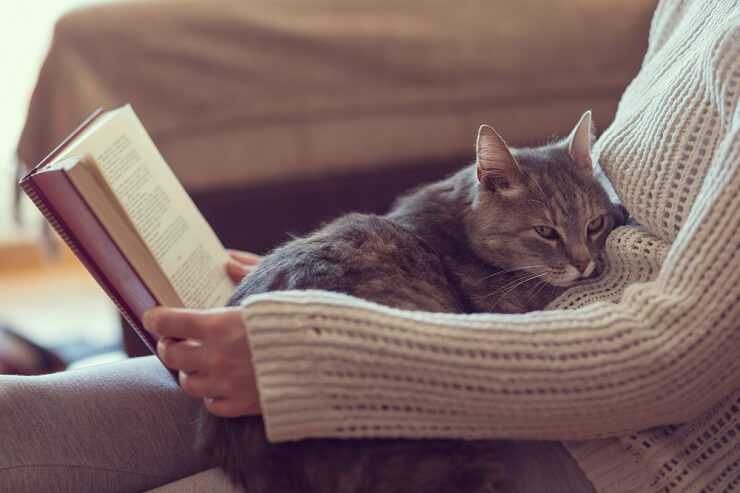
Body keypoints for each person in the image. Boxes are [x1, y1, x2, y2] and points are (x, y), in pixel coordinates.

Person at [1, 0, 737, 491]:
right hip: (502, 349)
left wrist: (325, 350)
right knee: (25, 418)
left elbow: (678, 356)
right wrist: (331, 288)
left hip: (607, 438)